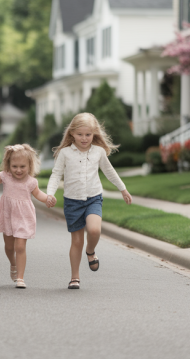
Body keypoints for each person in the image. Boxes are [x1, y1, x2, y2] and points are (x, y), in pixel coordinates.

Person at [46, 112, 133, 290]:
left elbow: (109, 171)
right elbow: (56, 175)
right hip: (72, 202)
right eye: (80, 134)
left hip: (93, 198)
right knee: (76, 241)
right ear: (72, 133)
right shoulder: (65, 153)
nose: (84, 138)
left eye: (88, 134)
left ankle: (90, 251)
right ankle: (74, 277)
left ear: (94, 134)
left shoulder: (98, 152)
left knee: (94, 230)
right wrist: (50, 193)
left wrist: (123, 189)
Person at [0, 144, 56, 289]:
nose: (18, 170)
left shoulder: (31, 182)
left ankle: (20, 277)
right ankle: (13, 263)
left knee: (20, 246)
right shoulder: (5, 176)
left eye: (22, 167)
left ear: (29, 165)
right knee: (9, 247)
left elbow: (38, 194)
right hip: (7, 216)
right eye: (14, 166)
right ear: (8, 164)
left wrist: (48, 199)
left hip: (24, 217)